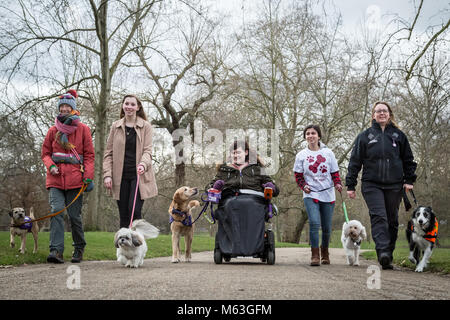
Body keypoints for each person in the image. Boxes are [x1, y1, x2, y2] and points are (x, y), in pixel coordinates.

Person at [345, 101, 417, 270]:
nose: (382, 113)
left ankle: (388, 254)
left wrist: (409, 180)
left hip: (394, 185)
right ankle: (383, 252)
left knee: (392, 220)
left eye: (384, 111)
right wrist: (351, 184)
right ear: (373, 115)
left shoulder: (399, 136)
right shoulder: (365, 136)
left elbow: (408, 160)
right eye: (378, 111)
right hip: (371, 184)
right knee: (379, 217)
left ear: (389, 114)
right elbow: (355, 161)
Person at [41, 89, 95, 263]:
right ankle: (56, 251)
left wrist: (88, 176)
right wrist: (51, 166)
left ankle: (79, 248)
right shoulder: (52, 131)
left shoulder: (83, 129)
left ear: (72, 109)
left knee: (74, 216)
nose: (64, 109)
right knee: (56, 211)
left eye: (67, 106)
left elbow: (89, 156)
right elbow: (45, 154)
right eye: (61, 106)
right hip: (55, 180)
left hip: (75, 180)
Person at [103, 94, 157, 228]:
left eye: (132, 104)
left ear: (138, 107)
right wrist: (107, 175)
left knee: (135, 212)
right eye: (127, 104)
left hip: (138, 176)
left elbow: (148, 151)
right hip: (119, 177)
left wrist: (143, 164)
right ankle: (123, 246)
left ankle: (137, 245)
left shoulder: (146, 126)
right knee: (124, 215)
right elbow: (108, 153)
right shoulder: (115, 126)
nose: (129, 107)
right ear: (123, 105)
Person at [293, 125, 342, 266]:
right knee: (314, 223)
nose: (310, 136)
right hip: (310, 193)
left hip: (327, 193)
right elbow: (298, 175)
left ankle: (325, 252)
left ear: (319, 136)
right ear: (305, 137)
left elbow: (335, 173)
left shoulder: (328, 153)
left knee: (326, 227)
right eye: (307, 134)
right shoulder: (301, 155)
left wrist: (337, 183)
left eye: (313, 133)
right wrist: (304, 186)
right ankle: (315, 255)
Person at [208, 140, 280, 198]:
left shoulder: (257, 168)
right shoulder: (224, 170)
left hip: (255, 202)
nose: (236, 155)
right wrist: (215, 187)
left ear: (246, 152)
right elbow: (208, 188)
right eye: (234, 153)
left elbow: (276, 191)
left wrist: (271, 187)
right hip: (230, 203)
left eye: (238, 152)